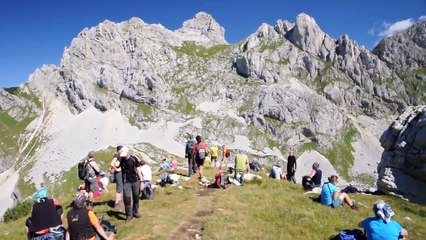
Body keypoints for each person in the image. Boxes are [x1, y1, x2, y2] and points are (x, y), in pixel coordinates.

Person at [119, 146, 143, 223]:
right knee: (127, 198)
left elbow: (138, 170)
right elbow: (115, 165)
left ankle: (135, 212)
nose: (124, 156)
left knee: (136, 197)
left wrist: (141, 181)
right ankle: (129, 215)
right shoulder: (121, 160)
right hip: (126, 182)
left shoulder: (133, 159)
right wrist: (118, 157)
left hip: (135, 180)